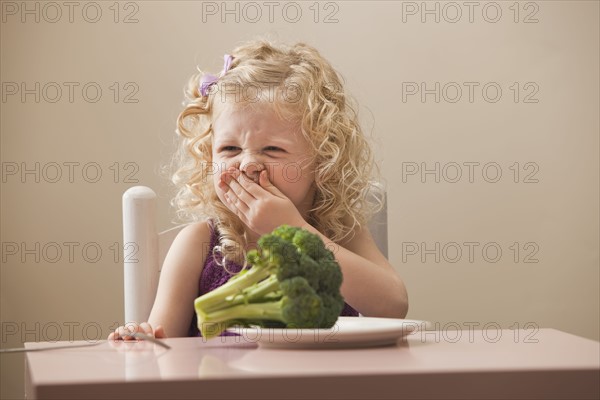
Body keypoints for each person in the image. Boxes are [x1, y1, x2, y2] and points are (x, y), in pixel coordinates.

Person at [109, 39, 408, 341]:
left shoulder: (340, 231)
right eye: (229, 148)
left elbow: (394, 306)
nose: (248, 164)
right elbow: (163, 341)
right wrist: (143, 336)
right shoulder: (198, 243)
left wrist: (295, 231)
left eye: (273, 149)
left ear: (322, 160)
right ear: (208, 155)